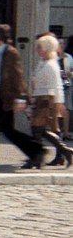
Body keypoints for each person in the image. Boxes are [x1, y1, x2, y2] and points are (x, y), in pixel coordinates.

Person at [0, 24, 44, 172]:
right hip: (1, 94)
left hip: (8, 96)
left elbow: (18, 76)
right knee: (7, 129)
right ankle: (36, 150)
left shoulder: (11, 53)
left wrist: (20, 98)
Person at [30, 34, 73, 167]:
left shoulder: (51, 64)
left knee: (38, 129)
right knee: (40, 129)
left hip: (47, 99)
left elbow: (57, 85)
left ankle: (39, 157)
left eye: (40, 47)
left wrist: (59, 103)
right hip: (41, 97)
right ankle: (62, 152)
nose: (37, 49)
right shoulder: (42, 63)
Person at [57, 37, 73, 140]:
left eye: (63, 44)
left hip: (66, 85)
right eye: (60, 43)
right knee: (56, 109)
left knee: (66, 109)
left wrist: (70, 74)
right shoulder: (53, 58)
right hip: (56, 85)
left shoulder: (69, 57)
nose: (62, 45)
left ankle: (66, 133)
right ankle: (56, 131)